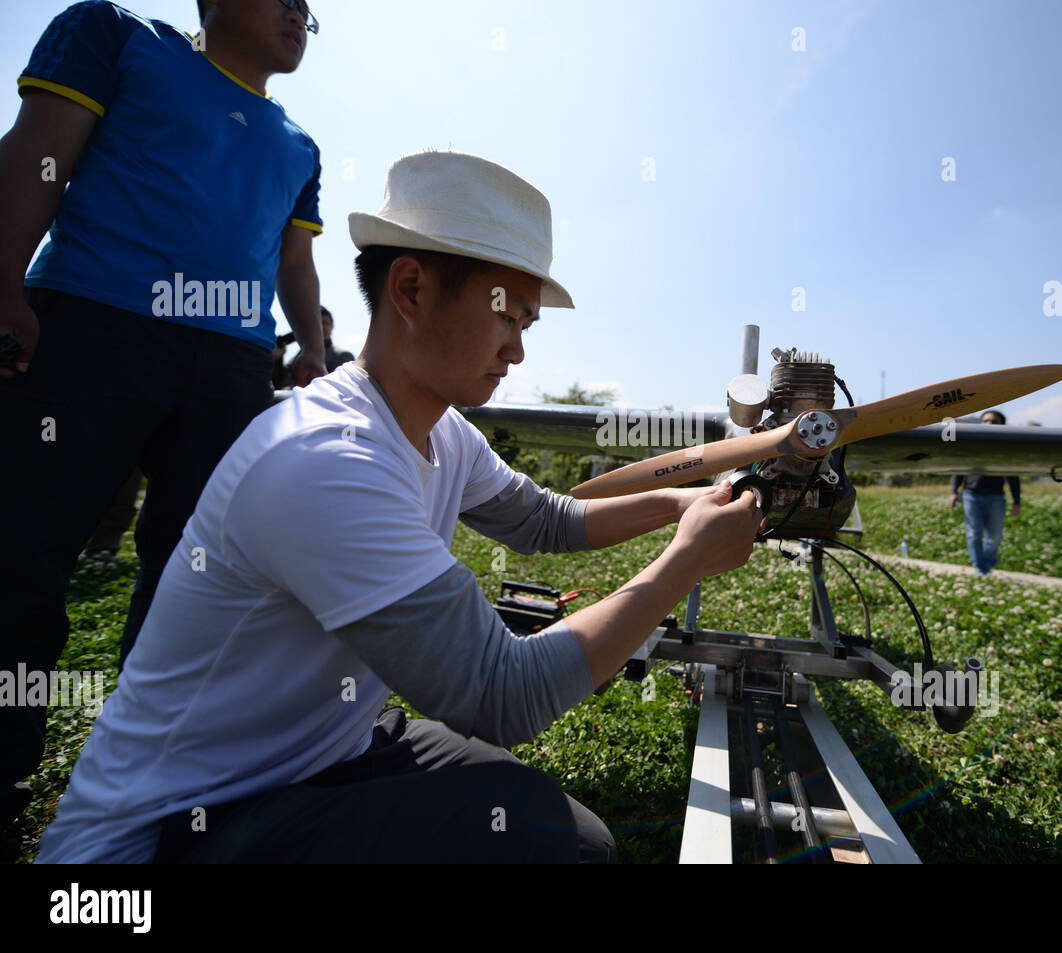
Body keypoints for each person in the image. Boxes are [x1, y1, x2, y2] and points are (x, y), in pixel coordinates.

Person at [36, 150, 765, 864]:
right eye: (507, 316)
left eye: (527, 326)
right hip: (173, 831)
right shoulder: (325, 459)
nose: (517, 351)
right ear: (411, 289)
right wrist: (685, 562)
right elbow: (503, 693)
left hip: (324, 754)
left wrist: (679, 501)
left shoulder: (444, 431)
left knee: (580, 843)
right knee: (532, 835)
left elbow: (546, 520)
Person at [0, 0, 326, 828]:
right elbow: (39, 155)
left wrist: (313, 351)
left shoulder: (300, 145)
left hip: (232, 366)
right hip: (93, 324)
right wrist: (3, 283)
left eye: (309, 10)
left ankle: (155, 775)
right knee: (23, 550)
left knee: (198, 576)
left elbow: (295, 262)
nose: (301, 15)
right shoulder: (114, 37)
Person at [949, 410, 1021, 575]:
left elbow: (1013, 477)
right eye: (985, 420)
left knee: (995, 537)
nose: (989, 424)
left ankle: (987, 563)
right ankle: (980, 567)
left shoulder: (1006, 450)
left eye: (994, 421)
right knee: (973, 533)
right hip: (971, 495)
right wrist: (954, 492)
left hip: (996, 497)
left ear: (1002, 425)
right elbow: (959, 470)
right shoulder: (971, 447)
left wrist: (1017, 501)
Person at [320, 306, 355, 371]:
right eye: (318, 323)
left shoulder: (343, 356)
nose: (321, 327)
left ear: (332, 326)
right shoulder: (300, 357)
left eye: (324, 322)